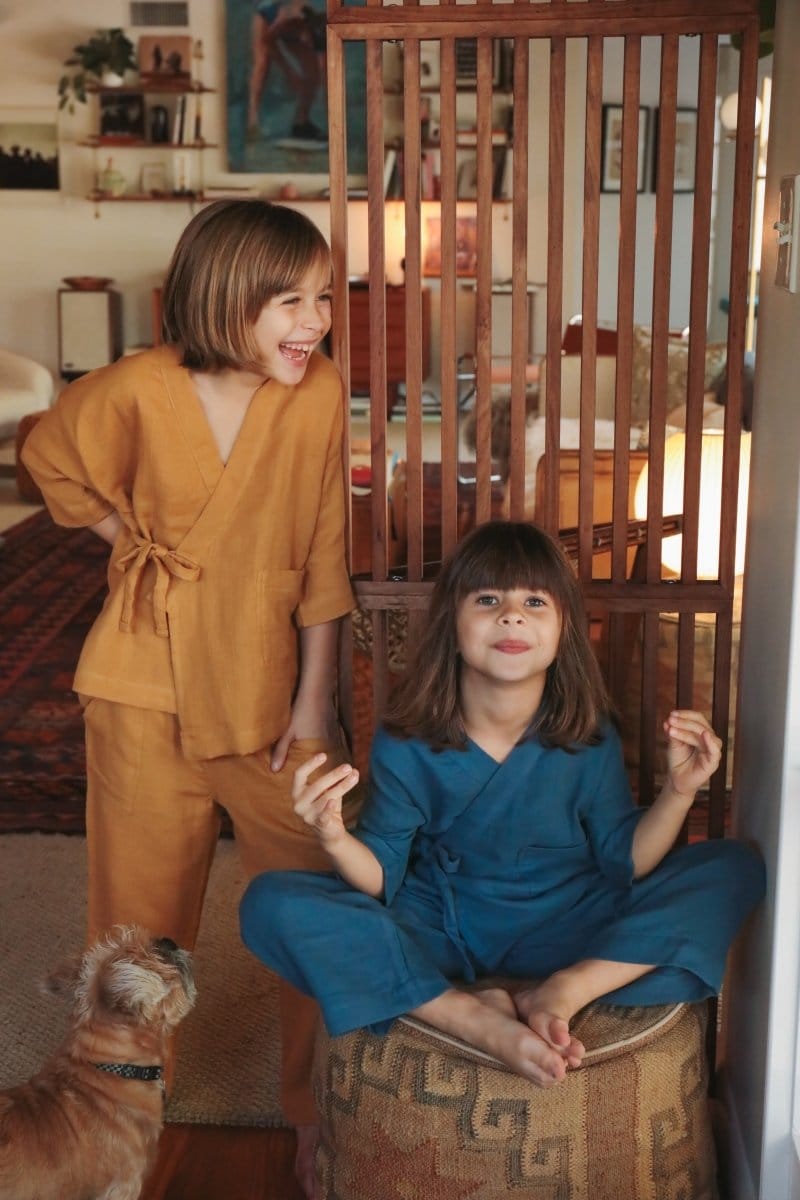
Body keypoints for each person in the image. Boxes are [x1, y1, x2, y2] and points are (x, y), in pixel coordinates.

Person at [21, 198, 354, 1199]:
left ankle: (315, 1110)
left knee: (313, 905)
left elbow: (324, 553)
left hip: (266, 697)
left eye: (324, 297)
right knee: (138, 929)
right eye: (291, 301)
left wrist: (312, 705)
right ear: (223, 296)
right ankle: (121, 1123)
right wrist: (126, 537)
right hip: (140, 683)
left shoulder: (318, 391)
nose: (316, 321)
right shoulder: (135, 387)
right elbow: (48, 457)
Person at [240, 520, 765, 1088]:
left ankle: (563, 991)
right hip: (443, 929)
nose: (512, 616)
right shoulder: (407, 739)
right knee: (271, 902)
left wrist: (679, 791)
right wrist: (334, 836)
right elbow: (380, 875)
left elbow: (627, 858)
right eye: (488, 599)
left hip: (568, 923)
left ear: (563, 629)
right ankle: (468, 1015)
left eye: (535, 601)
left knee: (734, 867)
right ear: (452, 624)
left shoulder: (589, 736)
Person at [247, 0, 327, 143]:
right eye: (308, 41)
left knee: (313, 74)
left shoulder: (320, 31)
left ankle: (301, 123)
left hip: (298, 31)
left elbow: (323, 66)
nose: (308, 45)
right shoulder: (288, 18)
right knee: (262, 64)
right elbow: (268, 42)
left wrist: (325, 92)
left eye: (310, 43)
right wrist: (289, 72)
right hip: (269, 22)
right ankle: (252, 120)